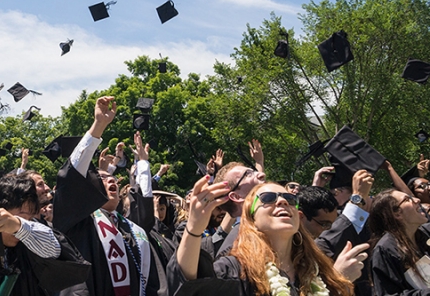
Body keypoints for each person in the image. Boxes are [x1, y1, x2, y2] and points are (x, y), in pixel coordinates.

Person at [53, 96, 164, 296]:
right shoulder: (79, 223)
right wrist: (98, 126)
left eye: (112, 179)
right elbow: (70, 178)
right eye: (102, 178)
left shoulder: (132, 228)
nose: (112, 180)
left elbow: (145, 200)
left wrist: (143, 163)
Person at [169, 179, 356, 296]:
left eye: (289, 199)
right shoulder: (235, 270)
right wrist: (194, 228)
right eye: (268, 198)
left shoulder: (315, 270)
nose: (282, 201)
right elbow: (189, 284)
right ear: (252, 218)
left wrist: (338, 280)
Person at [368, 189, 430, 294]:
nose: (417, 200)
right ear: (396, 214)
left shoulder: (425, 233)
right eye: (407, 199)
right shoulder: (385, 250)